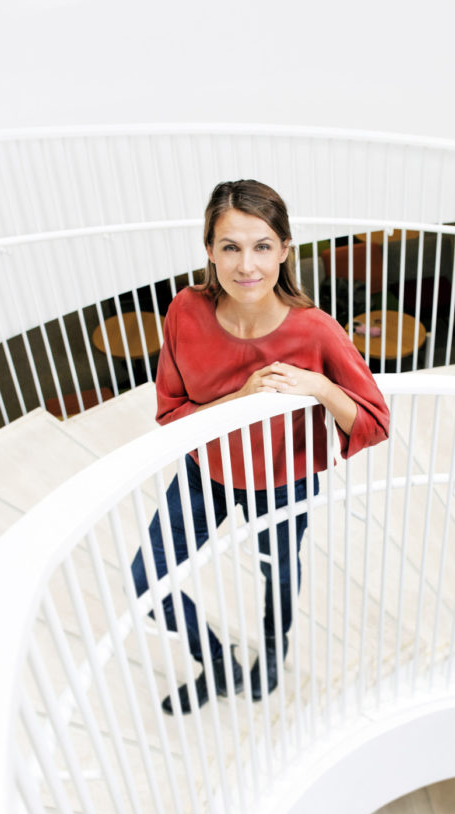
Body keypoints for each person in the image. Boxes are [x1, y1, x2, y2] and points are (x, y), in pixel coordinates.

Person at [131, 179, 390, 714]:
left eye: (262, 246)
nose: (246, 265)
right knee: (146, 580)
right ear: (209, 250)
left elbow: (375, 421)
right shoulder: (185, 311)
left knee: (280, 574)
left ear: (285, 250)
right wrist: (241, 398)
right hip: (207, 472)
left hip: (282, 479)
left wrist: (320, 387)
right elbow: (171, 413)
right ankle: (219, 663)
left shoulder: (315, 331)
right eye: (230, 247)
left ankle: (272, 655)